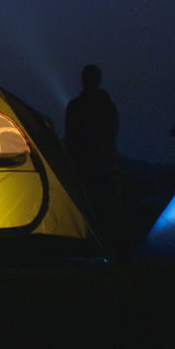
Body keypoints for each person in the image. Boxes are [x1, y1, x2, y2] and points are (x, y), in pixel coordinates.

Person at [65, 63, 120, 246]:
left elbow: (70, 135)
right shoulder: (107, 106)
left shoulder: (75, 106)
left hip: (83, 163)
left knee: (86, 203)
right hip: (102, 163)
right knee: (103, 203)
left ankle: (85, 241)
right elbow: (113, 132)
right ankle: (105, 242)